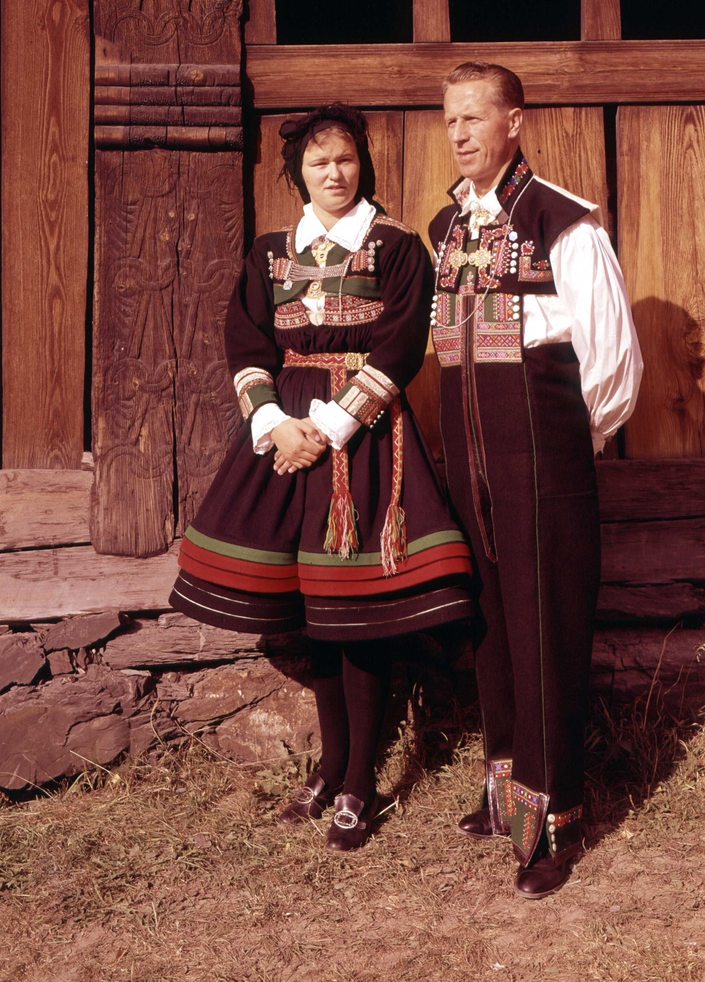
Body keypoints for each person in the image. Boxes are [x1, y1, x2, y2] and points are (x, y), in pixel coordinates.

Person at [170, 103, 473, 851]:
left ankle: (358, 785)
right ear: (297, 173)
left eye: (343, 161)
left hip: (361, 437)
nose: (333, 174)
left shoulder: (396, 246)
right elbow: (245, 339)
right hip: (282, 438)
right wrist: (275, 426)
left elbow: (403, 343)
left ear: (360, 165)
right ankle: (333, 765)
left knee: (355, 611)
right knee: (297, 616)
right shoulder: (271, 251)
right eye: (317, 163)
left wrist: (332, 427)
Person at [429, 62, 642, 898]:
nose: (459, 133)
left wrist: (560, 446)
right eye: (450, 120)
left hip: (542, 459)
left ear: (514, 121)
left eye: (475, 118)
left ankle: (549, 825)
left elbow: (611, 358)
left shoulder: (564, 221)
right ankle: (503, 796)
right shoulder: (447, 225)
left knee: (546, 632)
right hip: (469, 467)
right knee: (491, 629)